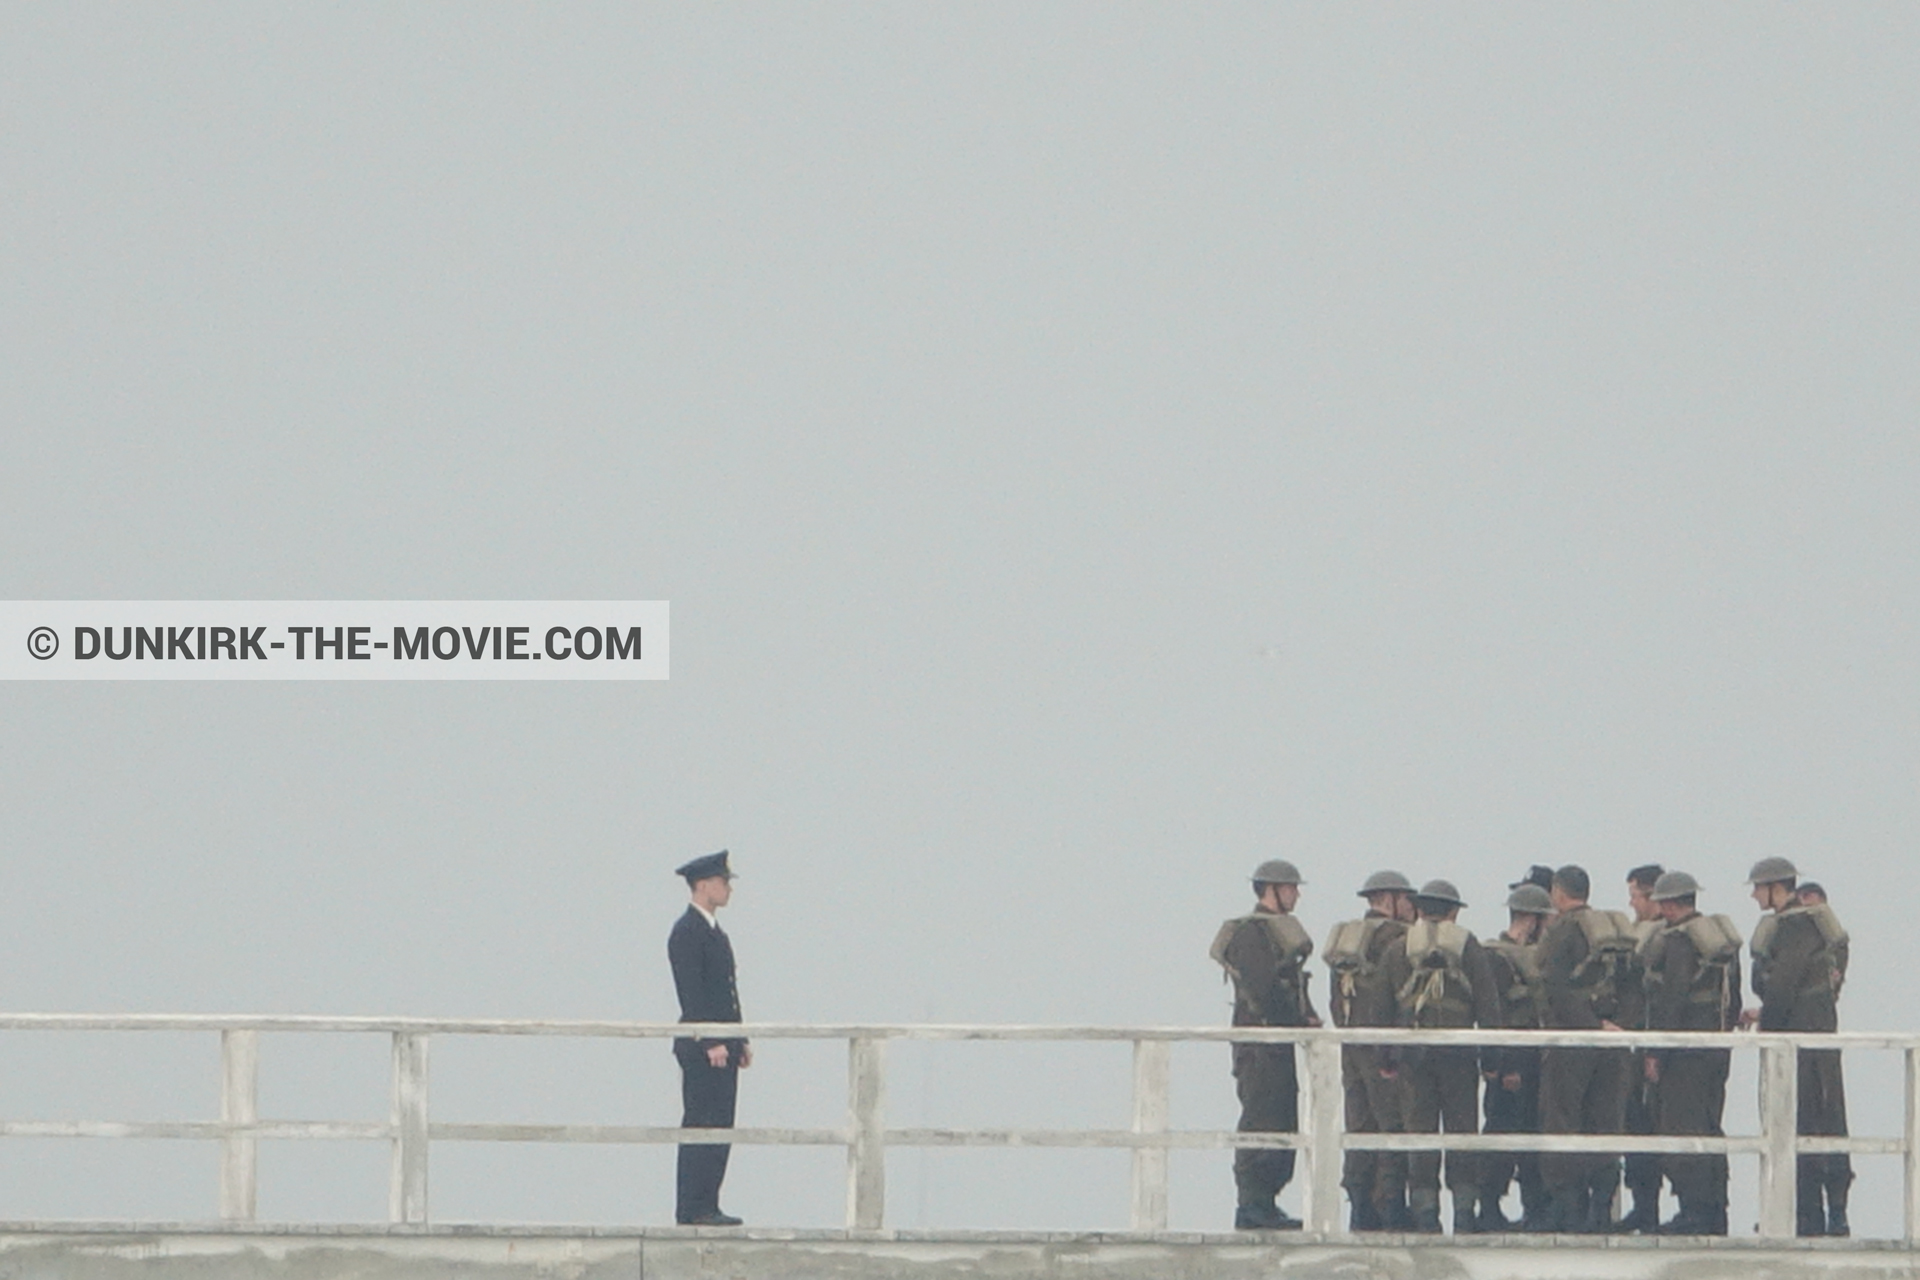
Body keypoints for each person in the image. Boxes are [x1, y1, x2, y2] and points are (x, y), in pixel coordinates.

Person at [1741, 857, 1853, 1236]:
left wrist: (1768, 1023)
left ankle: (1818, 1214)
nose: (1755, 894)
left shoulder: (1793, 926)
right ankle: (1818, 1212)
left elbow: (1783, 985)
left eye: (1758, 887)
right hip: (1813, 1031)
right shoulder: (1802, 925)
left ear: (1776, 887)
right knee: (1816, 1118)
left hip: (1802, 1038)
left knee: (1809, 1118)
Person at [1382, 880, 1500, 1234]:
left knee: (1420, 1134)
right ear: (1453, 912)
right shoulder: (1468, 947)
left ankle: (1425, 1216)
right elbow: (1489, 1007)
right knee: (1462, 1133)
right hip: (1459, 1057)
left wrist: (1386, 1059)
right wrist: (1491, 1061)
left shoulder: (1398, 948)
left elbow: (1379, 1008)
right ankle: (1464, 1215)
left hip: (1412, 1060)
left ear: (1418, 909)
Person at [1211, 859, 1318, 1229]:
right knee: (1260, 1116)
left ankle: (1267, 1201)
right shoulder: (1253, 934)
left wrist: (1306, 1018)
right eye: (1291, 887)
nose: (1296, 894)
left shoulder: (1275, 933)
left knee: (1283, 1117)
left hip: (1277, 1042)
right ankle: (1252, 1203)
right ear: (1271, 889)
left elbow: (1291, 985)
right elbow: (1264, 989)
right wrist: (1296, 1021)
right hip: (1259, 1043)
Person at [1536, 864, 1641, 1233]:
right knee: (1606, 1121)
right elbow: (1634, 984)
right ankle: (1601, 1207)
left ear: (1558, 893)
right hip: (1613, 1041)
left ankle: (1569, 1210)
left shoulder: (1561, 930)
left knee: (1562, 1119)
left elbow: (1551, 986)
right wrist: (1616, 1026)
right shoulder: (1612, 931)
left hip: (1572, 1041)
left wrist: (1590, 1025)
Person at [1639, 871, 1742, 1235]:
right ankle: (1716, 1209)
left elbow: (1672, 1000)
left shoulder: (1680, 942)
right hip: (1715, 1049)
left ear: (1669, 903)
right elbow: (1734, 1001)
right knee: (1710, 1125)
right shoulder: (1719, 943)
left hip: (1684, 1054)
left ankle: (1693, 1210)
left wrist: (1656, 1052)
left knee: (1681, 1126)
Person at [1323, 870, 1416, 1231]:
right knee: (1391, 1121)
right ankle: (1390, 1206)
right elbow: (1402, 997)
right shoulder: (1397, 939)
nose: (1412, 906)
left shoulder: (1348, 940)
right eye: (1407, 899)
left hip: (1352, 1045)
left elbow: (1335, 1000)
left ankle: (1360, 1207)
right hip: (1384, 1049)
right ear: (1391, 899)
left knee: (1359, 1124)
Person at [668, 850, 751, 1226]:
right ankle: (692, 1208)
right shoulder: (687, 931)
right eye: (722, 882)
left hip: (725, 1044)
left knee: (721, 1126)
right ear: (703, 885)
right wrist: (709, 1040)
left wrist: (740, 1037)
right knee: (701, 1123)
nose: (728, 888)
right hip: (704, 1047)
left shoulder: (716, 933)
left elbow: (727, 991)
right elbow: (693, 993)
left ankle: (710, 1204)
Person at [1479, 882, 1554, 1232]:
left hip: (1537, 1058)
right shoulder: (1497, 957)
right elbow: (1494, 1013)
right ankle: (1489, 1208)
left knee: (1534, 1134)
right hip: (1512, 1058)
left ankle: (1535, 1208)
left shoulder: (1538, 955)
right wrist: (1502, 1064)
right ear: (1530, 919)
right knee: (1502, 1132)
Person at [1618, 863, 1667, 1234]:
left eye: (1635, 894)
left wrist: (1652, 1049)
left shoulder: (1661, 937)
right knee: (1633, 1122)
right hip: (1634, 1042)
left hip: (1646, 1041)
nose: (1631, 903)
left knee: (1647, 1123)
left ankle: (1648, 1206)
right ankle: (1642, 1204)